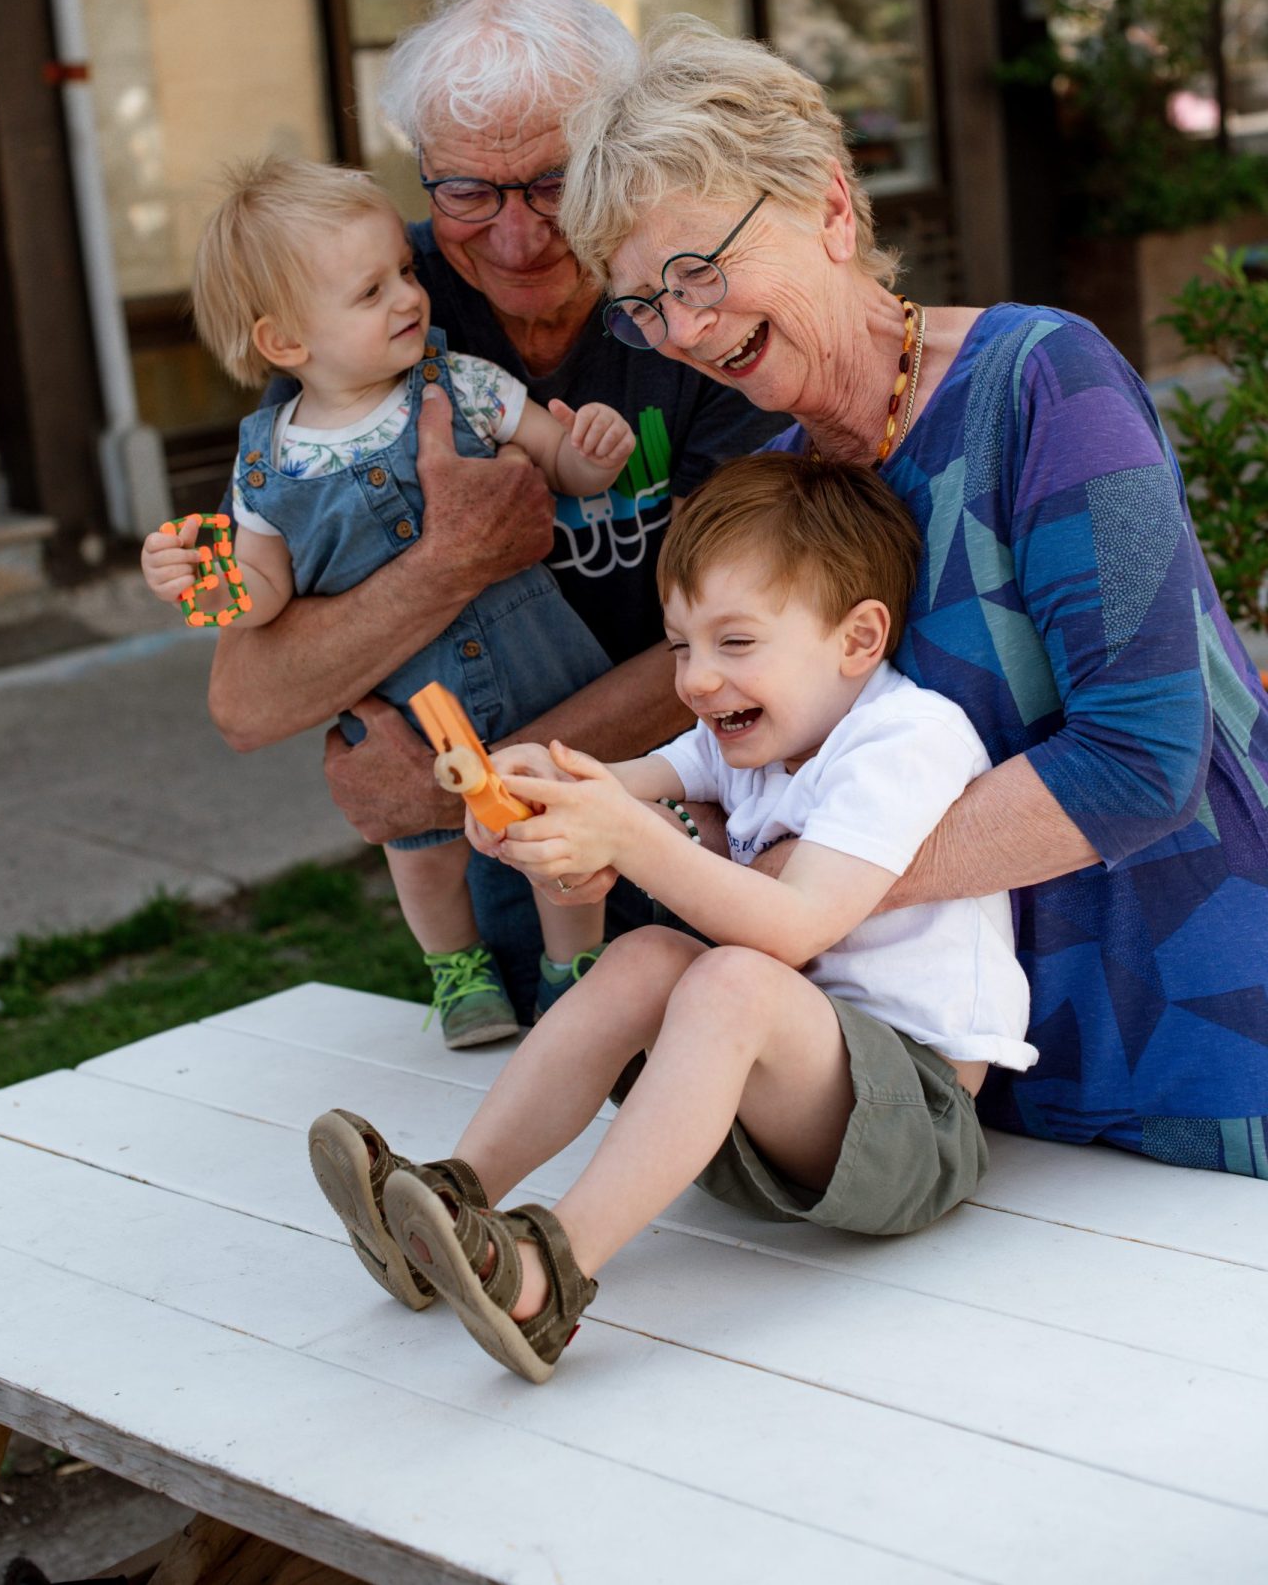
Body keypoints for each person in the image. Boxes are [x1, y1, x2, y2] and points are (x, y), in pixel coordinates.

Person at [546, 17, 1268, 1177]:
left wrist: (791, 887)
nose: (680, 330)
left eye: (698, 272)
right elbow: (771, 771)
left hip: (1204, 1039)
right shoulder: (777, 492)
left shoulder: (1041, 379)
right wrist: (627, 825)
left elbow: (1142, 756)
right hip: (975, 1085)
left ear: (832, 210)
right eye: (641, 306)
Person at [307, 452, 1036, 1382]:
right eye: (681, 644)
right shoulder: (748, 728)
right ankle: (451, 1205)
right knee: (652, 951)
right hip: (762, 1113)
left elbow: (796, 925)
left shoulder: (905, 739)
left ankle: (549, 1276)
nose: (696, 679)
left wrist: (637, 841)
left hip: (912, 1124)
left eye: (735, 643)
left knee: (731, 974)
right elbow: (614, 784)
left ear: (857, 640)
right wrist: (529, 792)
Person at [206, 0, 787, 1019]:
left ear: (619, 149)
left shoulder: (695, 295)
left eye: (556, 183)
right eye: (468, 191)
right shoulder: (367, 313)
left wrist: (458, 781)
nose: (514, 239)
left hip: (718, 841)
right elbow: (249, 702)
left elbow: (756, 632)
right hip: (510, 880)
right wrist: (452, 561)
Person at [142, 157, 638, 1045]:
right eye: (371, 290)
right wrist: (201, 584)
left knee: (561, 829)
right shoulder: (267, 460)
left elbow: (559, 462)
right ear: (286, 344)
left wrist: (593, 452)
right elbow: (262, 593)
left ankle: (576, 968)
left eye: (404, 273)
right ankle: (459, 970)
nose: (409, 296)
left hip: (539, 666)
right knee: (421, 851)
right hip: (409, 704)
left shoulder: (463, 383)